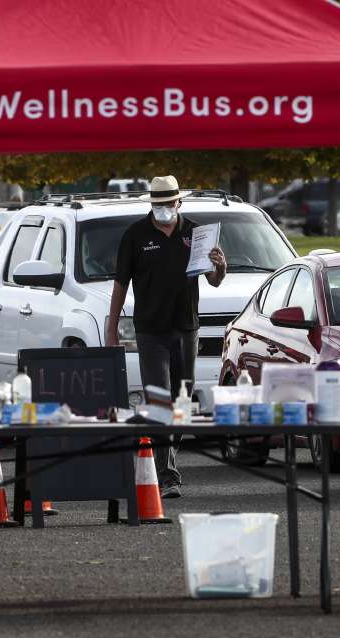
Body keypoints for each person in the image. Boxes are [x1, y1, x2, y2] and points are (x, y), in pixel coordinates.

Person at [106, 175, 226, 498]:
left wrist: (219, 267)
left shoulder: (196, 233)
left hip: (187, 327)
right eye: (157, 205)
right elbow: (120, 284)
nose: (163, 210)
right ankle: (167, 473)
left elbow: (213, 280)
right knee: (159, 399)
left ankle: (165, 455)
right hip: (150, 331)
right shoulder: (136, 235)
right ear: (151, 205)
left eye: (168, 204)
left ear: (178, 204)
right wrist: (111, 326)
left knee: (181, 403)